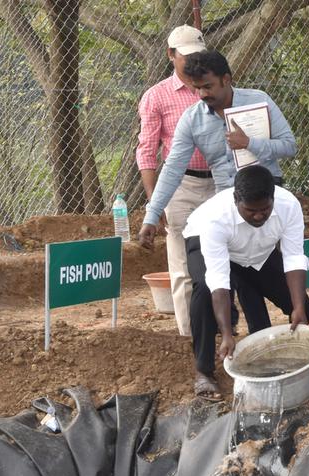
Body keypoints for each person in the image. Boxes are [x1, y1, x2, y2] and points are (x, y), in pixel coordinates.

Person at [182, 166, 309, 399]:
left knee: (305, 307)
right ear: (236, 201)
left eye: (265, 209)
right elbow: (218, 279)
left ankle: (308, 360)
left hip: (258, 252)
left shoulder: (289, 206)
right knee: (204, 291)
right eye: (251, 211)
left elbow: (294, 257)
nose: (258, 216)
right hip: (208, 243)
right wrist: (226, 333)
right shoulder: (216, 219)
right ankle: (203, 371)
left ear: (273, 198)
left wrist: (297, 307)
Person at [138, 49, 296, 247]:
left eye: (208, 86)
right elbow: (172, 169)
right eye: (197, 88)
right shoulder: (192, 118)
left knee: (272, 267)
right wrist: (151, 216)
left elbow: (289, 146)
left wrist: (249, 143)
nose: (202, 94)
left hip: (266, 200)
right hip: (227, 202)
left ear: (226, 79)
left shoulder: (258, 100)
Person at [135, 25, 215, 337]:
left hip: (219, 184)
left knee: (221, 259)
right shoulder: (156, 97)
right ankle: (189, 336)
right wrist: (157, 203)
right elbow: (147, 152)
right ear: (171, 55)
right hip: (180, 186)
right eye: (186, 57)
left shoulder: (213, 86)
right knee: (182, 266)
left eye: (198, 56)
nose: (193, 62)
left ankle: (222, 328)